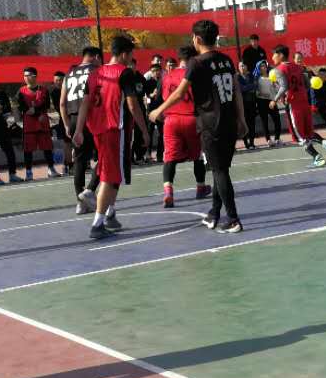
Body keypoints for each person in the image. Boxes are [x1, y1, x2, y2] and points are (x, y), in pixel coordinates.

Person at [151, 22, 244, 231]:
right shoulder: (226, 60)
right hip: (229, 121)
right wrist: (242, 119)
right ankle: (214, 213)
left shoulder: (196, 63)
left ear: (198, 39)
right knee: (220, 170)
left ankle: (233, 218)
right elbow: (236, 90)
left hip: (211, 124)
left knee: (220, 171)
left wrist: (159, 110)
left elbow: (179, 93)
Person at [71, 34, 150, 241]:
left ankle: (110, 215)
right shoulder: (124, 73)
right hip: (115, 128)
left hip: (97, 129)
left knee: (114, 174)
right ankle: (97, 223)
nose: (131, 58)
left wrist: (79, 130)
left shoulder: (95, 73)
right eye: (131, 54)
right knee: (109, 176)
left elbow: (85, 103)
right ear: (124, 54)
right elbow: (133, 105)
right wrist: (144, 130)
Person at [149, 45, 210, 209]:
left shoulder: (166, 77)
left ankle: (168, 192)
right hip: (191, 119)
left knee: (169, 158)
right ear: (193, 58)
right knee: (197, 156)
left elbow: (159, 99)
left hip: (171, 120)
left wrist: (157, 112)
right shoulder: (195, 74)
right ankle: (200, 187)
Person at [270, 44, 326, 169]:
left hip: (293, 105)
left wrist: (275, 99)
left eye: (274, 54)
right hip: (304, 103)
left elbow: (284, 87)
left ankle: (317, 158)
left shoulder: (279, 69)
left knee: (299, 136)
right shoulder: (299, 67)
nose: (272, 57)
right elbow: (307, 85)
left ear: (281, 55)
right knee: (308, 132)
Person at [61, 46, 103, 214]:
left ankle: (80, 202)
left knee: (79, 161)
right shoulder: (97, 71)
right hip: (92, 118)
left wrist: (66, 124)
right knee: (105, 156)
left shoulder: (69, 73)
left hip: (73, 118)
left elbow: (62, 103)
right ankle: (90, 190)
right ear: (96, 57)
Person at [16, 67, 58, 181]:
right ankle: (29, 172)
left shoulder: (44, 90)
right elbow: (20, 106)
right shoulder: (21, 91)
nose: (26, 77)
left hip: (42, 122)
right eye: (24, 75)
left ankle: (51, 169)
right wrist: (29, 111)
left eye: (28, 75)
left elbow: (46, 105)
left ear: (35, 76)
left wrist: (36, 111)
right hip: (29, 124)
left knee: (47, 147)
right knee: (28, 150)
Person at [49, 70, 69, 174]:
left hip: (71, 119)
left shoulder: (70, 90)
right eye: (56, 80)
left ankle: (72, 164)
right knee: (66, 144)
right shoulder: (53, 92)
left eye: (61, 80)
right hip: (61, 121)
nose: (58, 82)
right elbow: (58, 107)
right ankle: (66, 165)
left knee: (73, 143)